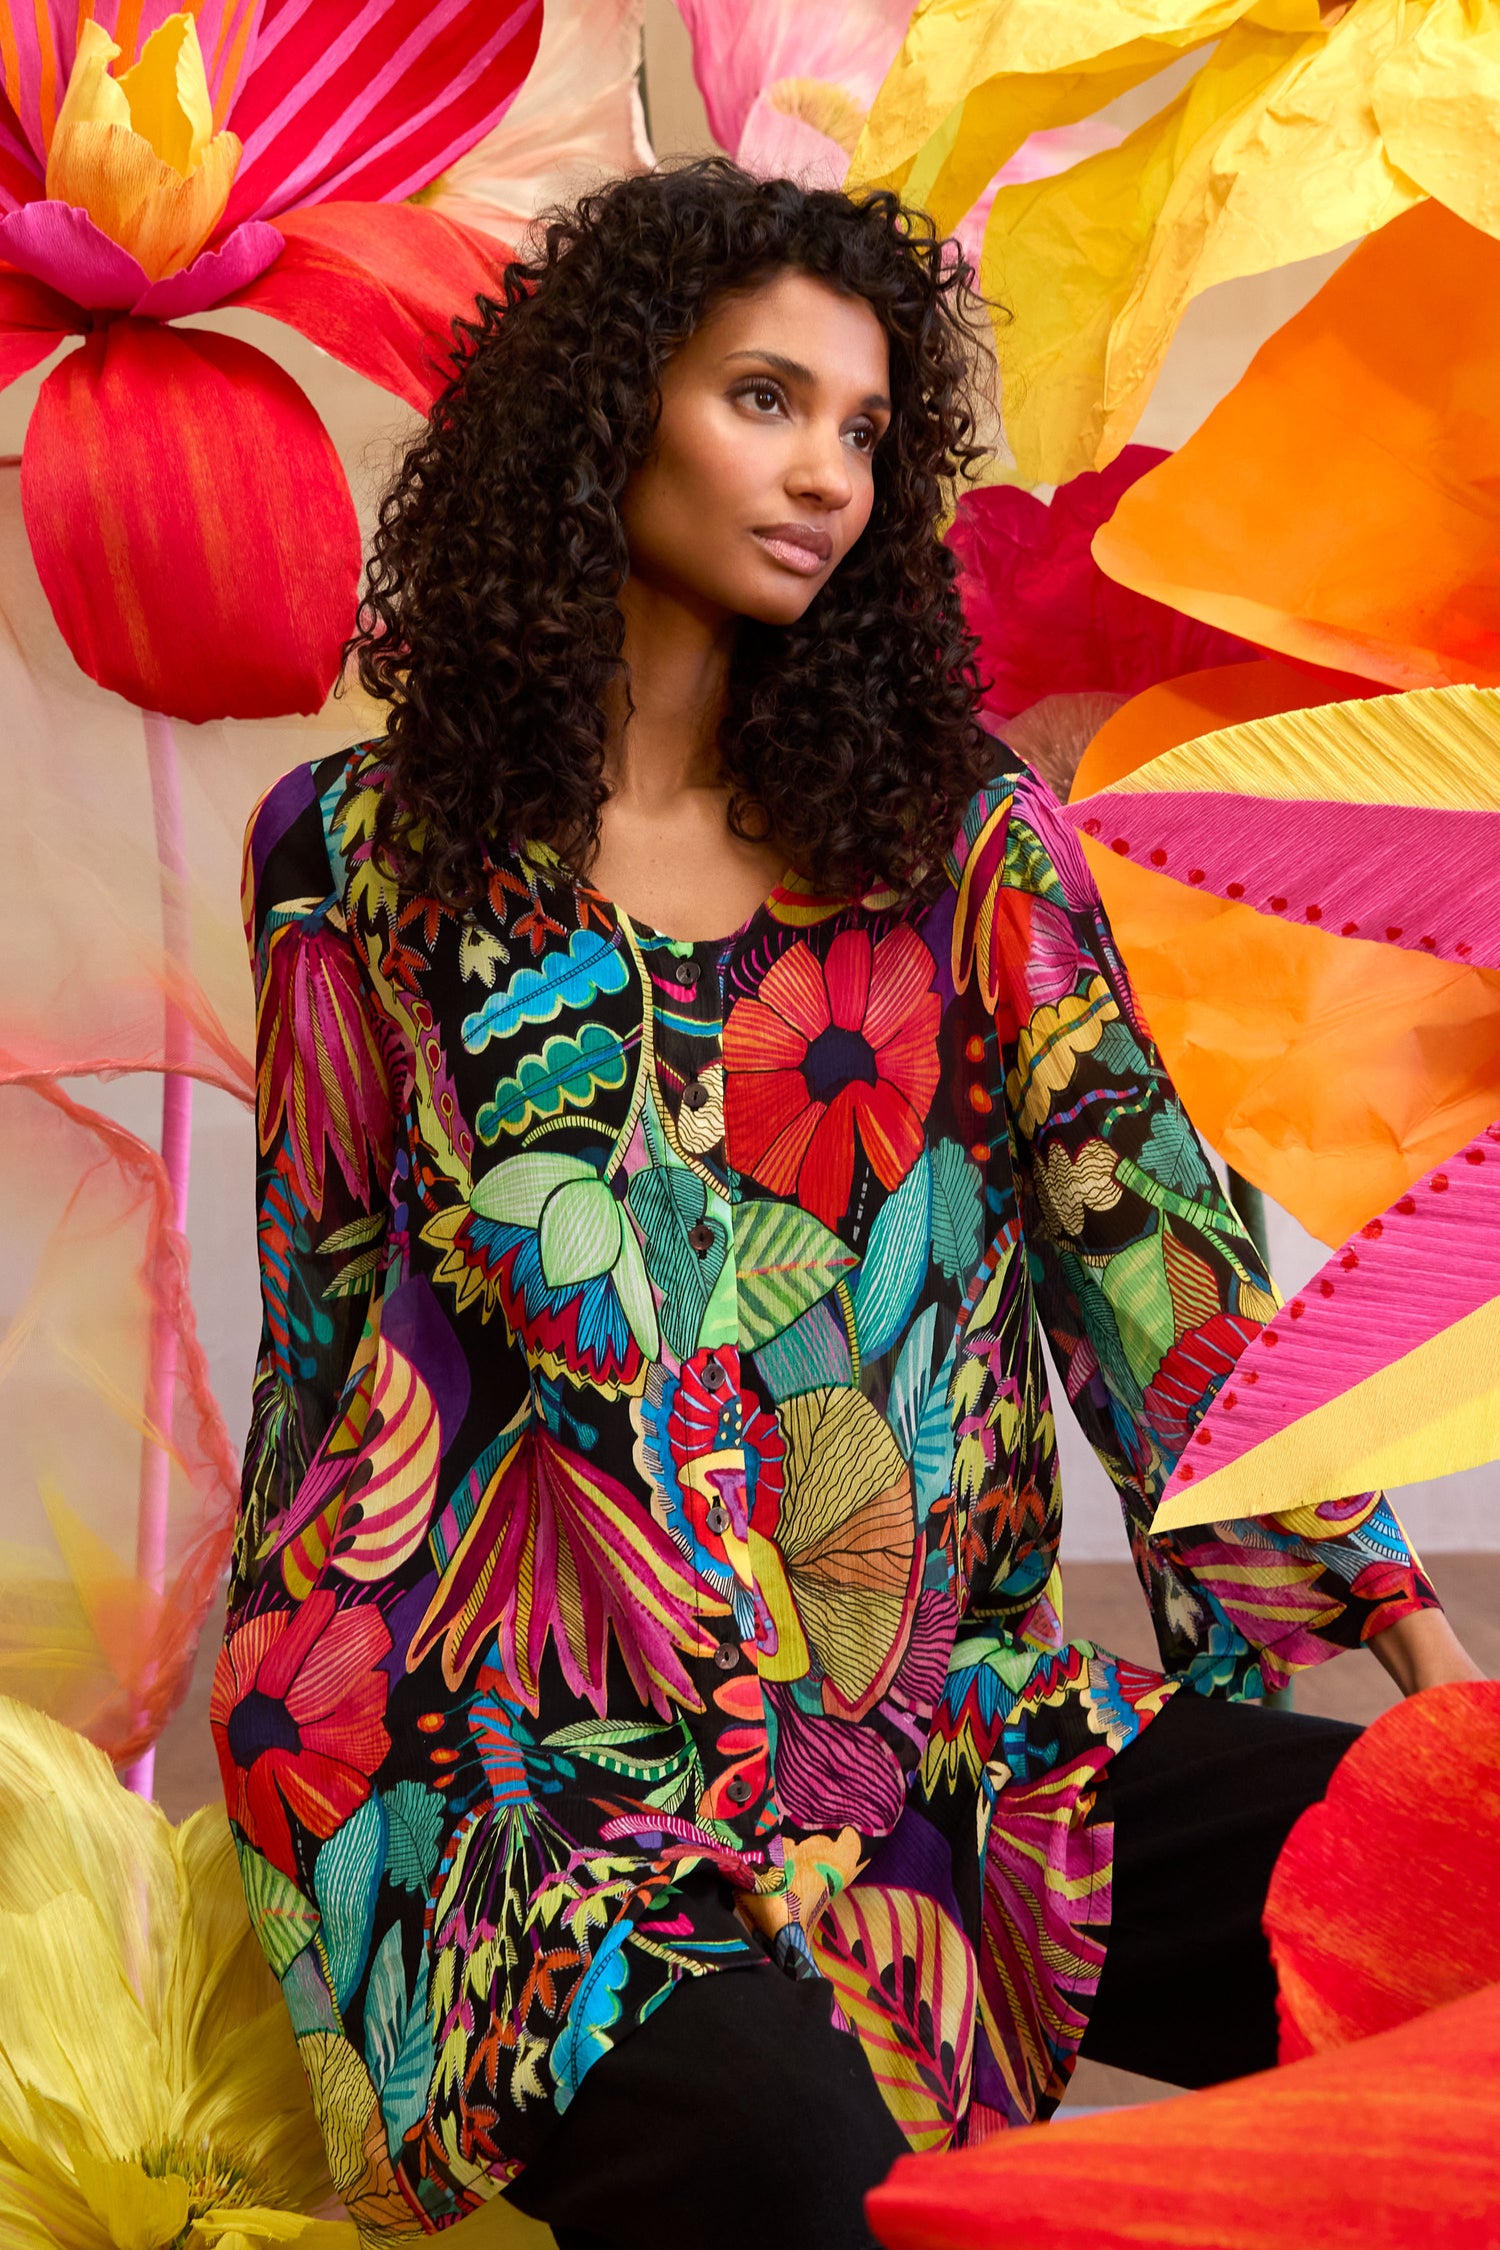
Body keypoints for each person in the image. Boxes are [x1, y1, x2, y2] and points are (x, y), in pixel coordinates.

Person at [216, 161, 1480, 2250]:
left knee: (1474, 1918)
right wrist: (324, 1850)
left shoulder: (962, 844)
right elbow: (325, 1334)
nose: (828, 474)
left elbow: (1156, 1282)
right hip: (546, 1792)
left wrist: (1423, 1687)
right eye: (767, 401)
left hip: (961, 1748)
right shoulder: (355, 855)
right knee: (788, 2167)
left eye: (870, 434)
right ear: (610, 413)